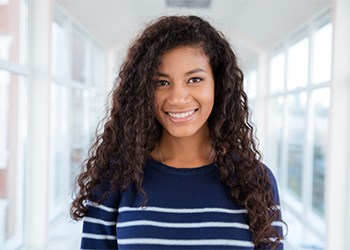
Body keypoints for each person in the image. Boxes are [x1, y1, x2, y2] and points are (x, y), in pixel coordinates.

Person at [71, 15, 285, 249]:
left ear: (219, 85)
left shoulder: (255, 181)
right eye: (162, 82)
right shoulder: (114, 179)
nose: (177, 98)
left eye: (194, 79)